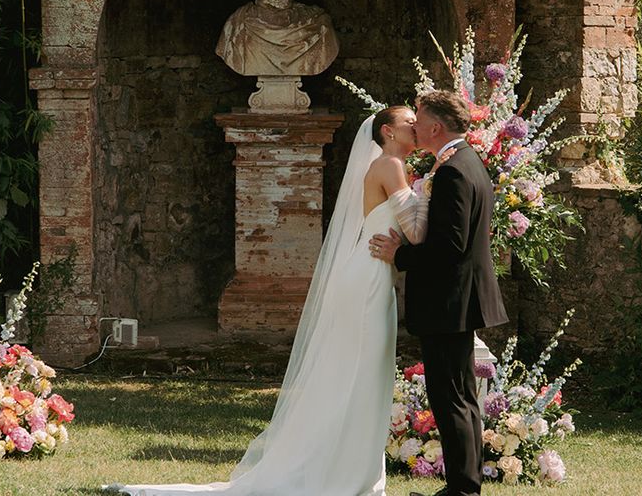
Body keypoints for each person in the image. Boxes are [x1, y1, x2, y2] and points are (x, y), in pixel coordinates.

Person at [104, 106, 427, 496]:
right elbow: (414, 231)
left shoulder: (389, 164)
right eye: (411, 122)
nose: (418, 128)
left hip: (371, 273)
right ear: (389, 132)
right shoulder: (390, 165)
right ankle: (342, 473)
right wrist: (433, 192)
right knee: (358, 372)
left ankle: (355, 470)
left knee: (365, 373)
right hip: (368, 281)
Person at [369, 89, 507, 496]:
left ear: (434, 127)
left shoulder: (452, 171)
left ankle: (462, 491)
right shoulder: (466, 162)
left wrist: (401, 254)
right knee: (460, 397)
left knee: (451, 399)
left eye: (419, 120)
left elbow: (451, 244)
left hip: (450, 302)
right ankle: (463, 487)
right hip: (459, 300)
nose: (413, 126)